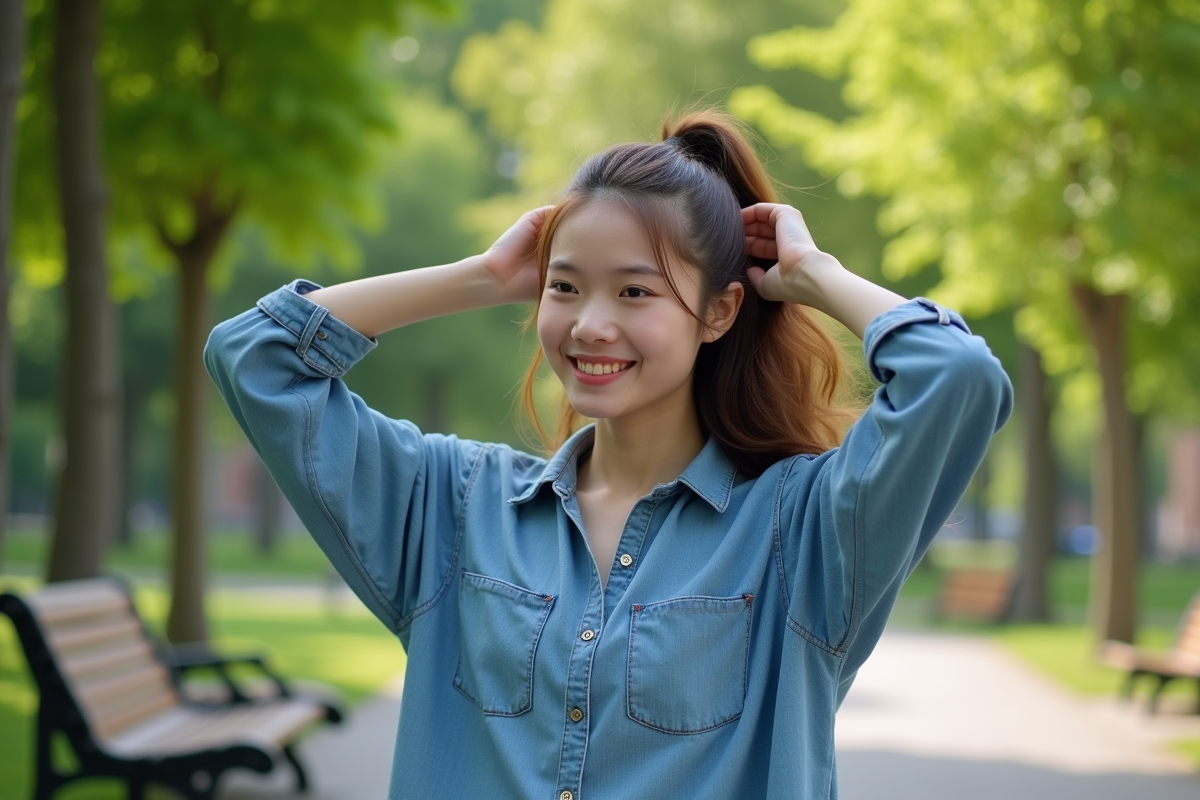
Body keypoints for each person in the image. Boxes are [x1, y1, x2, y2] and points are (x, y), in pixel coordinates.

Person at [205, 108, 1013, 799]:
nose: (590, 323)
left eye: (634, 291)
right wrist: (479, 278)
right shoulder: (455, 508)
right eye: (564, 286)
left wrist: (813, 272)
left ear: (719, 311)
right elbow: (256, 357)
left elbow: (960, 378)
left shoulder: (803, 533)